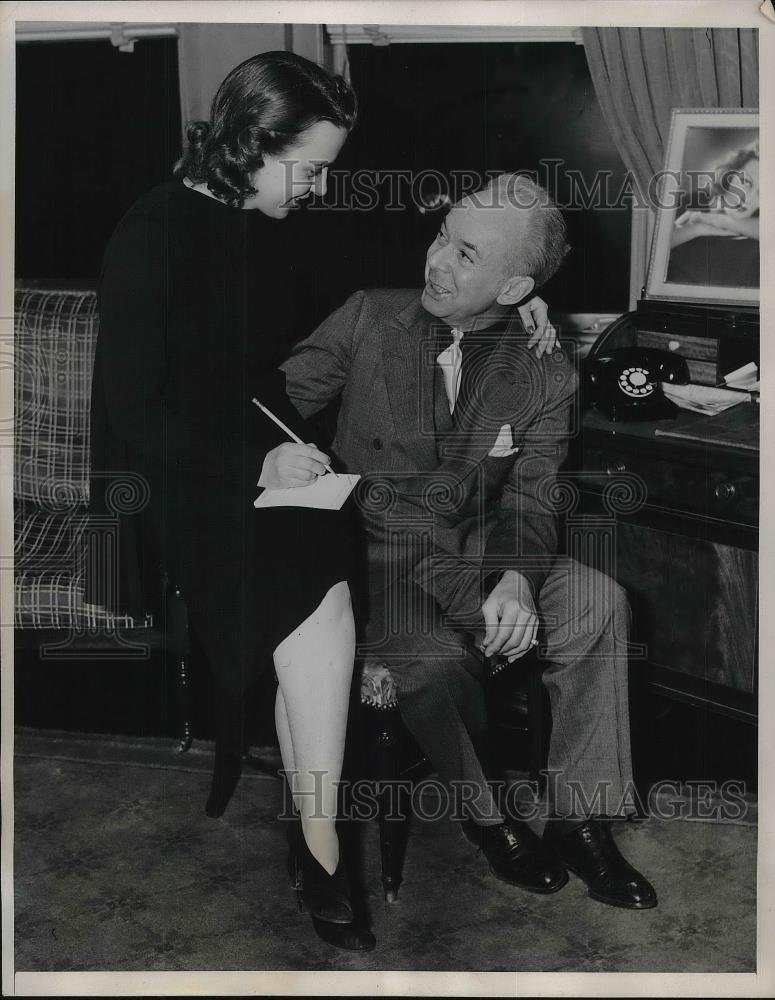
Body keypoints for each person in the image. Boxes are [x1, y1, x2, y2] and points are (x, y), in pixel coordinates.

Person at [87, 53, 557, 952]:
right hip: (171, 484)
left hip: (250, 456)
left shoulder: (264, 214)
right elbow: (135, 416)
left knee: (315, 569)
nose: (320, 186)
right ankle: (321, 841)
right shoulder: (149, 233)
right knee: (309, 579)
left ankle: (315, 837)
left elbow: (395, 265)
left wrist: (517, 302)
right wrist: (253, 472)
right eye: (310, 167)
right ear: (252, 145)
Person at [281, 174, 658, 911]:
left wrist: (517, 578)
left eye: (463, 253)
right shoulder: (366, 317)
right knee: (431, 660)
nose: (435, 262)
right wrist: (268, 455)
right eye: (438, 238)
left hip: (486, 552)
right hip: (377, 557)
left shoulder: (545, 364)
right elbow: (269, 402)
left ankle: (580, 818)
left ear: (515, 285)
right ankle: (489, 817)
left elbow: (535, 488)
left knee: (597, 604)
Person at [667, 139, 759, 288]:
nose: (747, 198)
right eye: (746, 182)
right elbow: (653, 253)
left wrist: (721, 221)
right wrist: (699, 228)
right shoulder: (694, 200)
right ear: (731, 173)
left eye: (762, 193)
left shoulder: (760, 236)